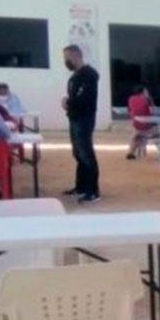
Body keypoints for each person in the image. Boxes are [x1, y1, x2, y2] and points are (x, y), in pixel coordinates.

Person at [61, 44, 101, 203]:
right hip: (74, 117)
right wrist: (68, 102)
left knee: (86, 154)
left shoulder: (89, 74)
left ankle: (93, 191)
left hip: (84, 118)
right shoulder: (75, 75)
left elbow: (85, 98)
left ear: (76, 55)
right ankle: (81, 186)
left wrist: (68, 102)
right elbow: (75, 96)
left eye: (67, 58)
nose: (65, 61)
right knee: (78, 153)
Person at [126, 84, 156, 160]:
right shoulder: (147, 99)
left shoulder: (131, 98)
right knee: (142, 133)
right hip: (147, 125)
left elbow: (130, 111)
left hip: (136, 123)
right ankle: (140, 150)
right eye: (146, 91)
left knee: (136, 134)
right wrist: (151, 101)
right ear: (143, 91)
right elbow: (153, 112)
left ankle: (131, 152)